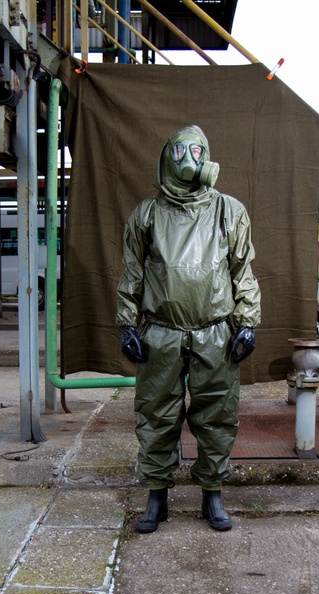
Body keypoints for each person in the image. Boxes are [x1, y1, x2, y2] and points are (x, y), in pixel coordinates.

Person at [116, 125, 262, 534]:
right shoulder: (146, 214)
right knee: (156, 413)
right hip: (161, 330)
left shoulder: (228, 211)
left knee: (217, 412)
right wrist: (127, 323)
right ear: (168, 156)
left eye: (197, 150)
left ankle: (212, 493)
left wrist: (248, 322)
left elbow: (241, 270)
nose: (188, 159)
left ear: (206, 154)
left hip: (215, 331)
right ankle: (156, 496)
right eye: (180, 151)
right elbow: (132, 272)